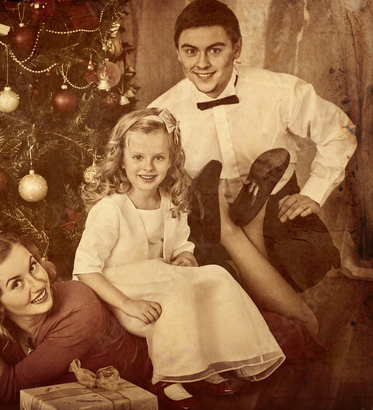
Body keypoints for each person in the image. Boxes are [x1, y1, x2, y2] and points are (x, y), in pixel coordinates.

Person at [73, 107, 286, 410]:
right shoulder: (110, 209)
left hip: (160, 278)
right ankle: (167, 377)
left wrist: (186, 258)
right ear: (121, 159)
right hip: (120, 290)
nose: (148, 167)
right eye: (137, 158)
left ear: (171, 160)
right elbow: (85, 269)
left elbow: (180, 246)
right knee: (176, 291)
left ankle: (208, 366)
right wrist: (127, 303)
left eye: (158, 158)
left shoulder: (169, 202)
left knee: (216, 276)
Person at [149, 0, 357, 293]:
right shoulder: (162, 112)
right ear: (178, 54)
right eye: (191, 51)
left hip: (276, 215)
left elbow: (340, 131)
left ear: (237, 49)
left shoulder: (280, 91)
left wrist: (314, 192)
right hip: (205, 224)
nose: (202, 64)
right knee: (219, 288)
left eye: (215, 49)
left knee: (292, 267)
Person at [0, 236, 153, 410]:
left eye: (32, 266)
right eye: (16, 284)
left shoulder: (80, 309)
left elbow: (10, 390)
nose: (37, 284)